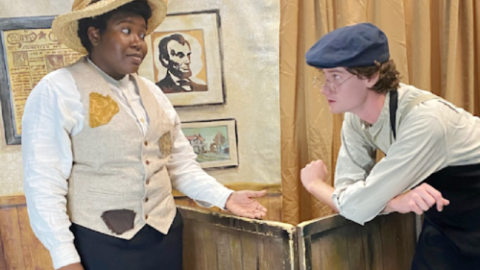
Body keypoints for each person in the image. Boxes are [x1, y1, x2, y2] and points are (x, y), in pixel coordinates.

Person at [21, 1, 267, 270]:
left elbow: (180, 166)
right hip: (100, 243)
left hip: (164, 237)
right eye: (126, 30)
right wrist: (64, 258)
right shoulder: (57, 90)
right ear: (94, 34)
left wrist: (226, 198)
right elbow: (44, 185)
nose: (138, 42)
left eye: (142, 33)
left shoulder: (155, 94)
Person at [300, 23, 480, 269]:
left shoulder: (426, 121)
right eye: (323, 77)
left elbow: (355, 204)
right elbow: (349, 195)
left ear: (372, 75)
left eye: (336, 77)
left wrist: (314, 184)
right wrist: (394, 203)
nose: (324, 88)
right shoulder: (355, 117)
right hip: (447, 223)